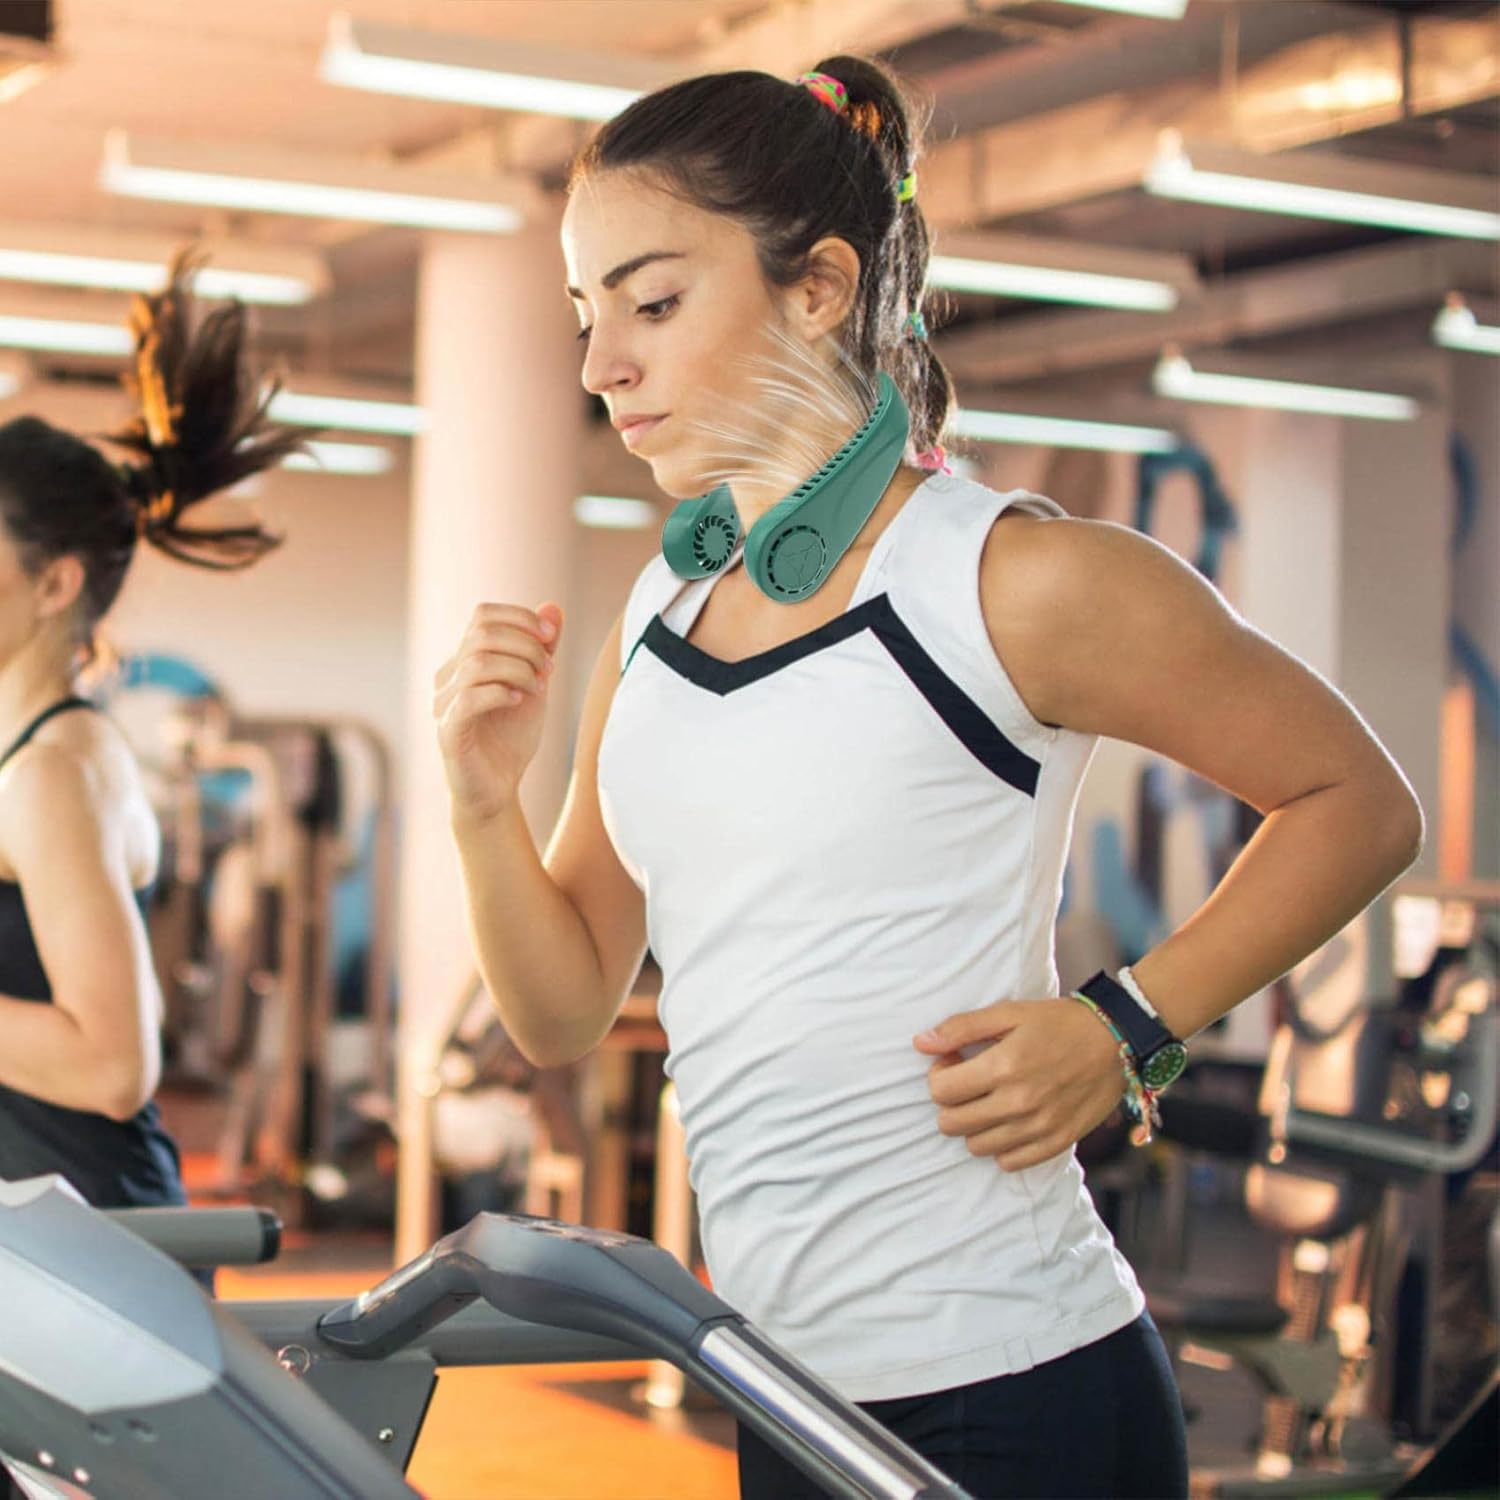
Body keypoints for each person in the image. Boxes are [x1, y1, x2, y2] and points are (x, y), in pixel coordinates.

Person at [434, 56, 1426, 1500]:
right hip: (780, 1386)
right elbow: (564, 1006)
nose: (600, 367)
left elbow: (1360, 803)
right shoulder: (660, 620)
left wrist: (1124, 1027)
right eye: (586, 317)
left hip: (1011, 1390)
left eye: (650, 303)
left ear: (821, 288)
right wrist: (478, 803)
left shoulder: (1007, 579)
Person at [0, 254, 305, 1241]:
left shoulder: (58, 767)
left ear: (55, 586)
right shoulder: (33, 755)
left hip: (96, 1246)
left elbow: (110, 1063)